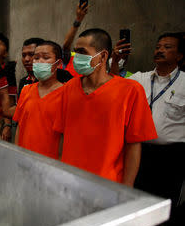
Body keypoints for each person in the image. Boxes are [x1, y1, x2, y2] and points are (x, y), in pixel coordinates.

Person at [52, 28, 157, 186]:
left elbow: (134, 145)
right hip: (70, 180)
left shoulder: (130, 91)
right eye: (75, 52)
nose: (77, 58)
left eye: (82, 52)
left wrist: (126, 188)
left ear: (103, 56)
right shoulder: (69, 88)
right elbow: (62, 135)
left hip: (107, 184)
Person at [125, 33, 184, 226]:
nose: (160, 50)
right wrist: (118, 59)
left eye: (167, 47)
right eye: (158, 46)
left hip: (171, 157)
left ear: (179, 55)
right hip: (141, 152)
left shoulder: (184, 84)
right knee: (138, 200)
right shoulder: (138, 79)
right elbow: (114, 81)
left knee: (166, 206)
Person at [13, 41, 64, 158]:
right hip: (24, 159)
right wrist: (15, 155)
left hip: (50, 163)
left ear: (58, 63)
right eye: (36, 58)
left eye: (46, 58)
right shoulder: (26, 91)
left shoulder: (66, 93)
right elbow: (20, 127)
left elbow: (64, 136)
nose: (39, 61)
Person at [0, 32, 17, 142]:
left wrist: (7, 126)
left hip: (1, 119)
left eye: (1, 44)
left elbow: (9, 100)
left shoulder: (9, 70)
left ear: (5, 54)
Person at [62, 1, 89, 78]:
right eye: (76, 50)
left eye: (82, 51)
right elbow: (66, 46)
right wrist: (78, 20)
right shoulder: (69, 61)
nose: (78, 53)